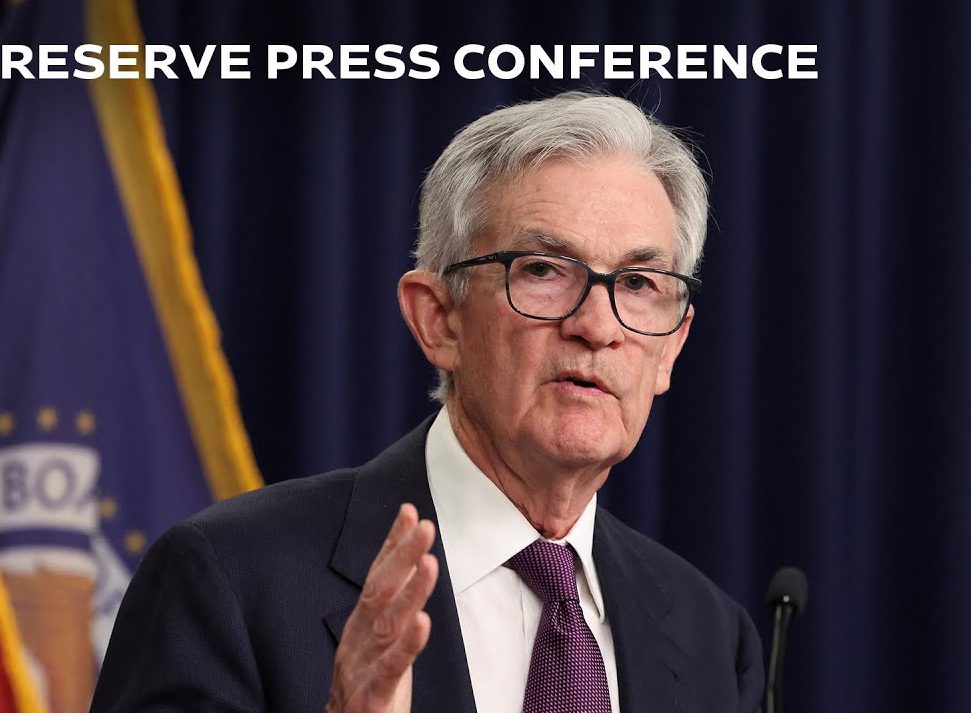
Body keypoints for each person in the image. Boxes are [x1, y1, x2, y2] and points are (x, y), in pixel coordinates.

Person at [89, 91, 764, 713]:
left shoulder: (710, 635)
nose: (597, 325)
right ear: (438, 318)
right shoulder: (229, 579)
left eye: (639, 283)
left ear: (670, 348)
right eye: (542, 270)